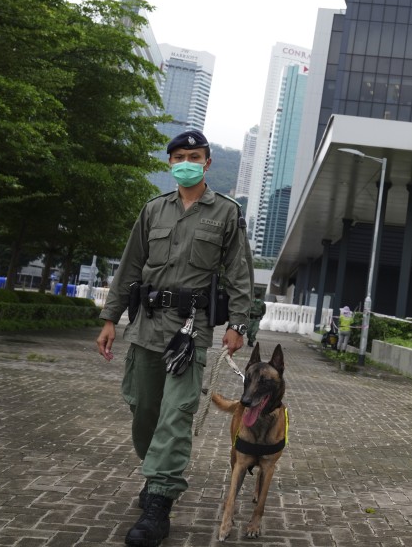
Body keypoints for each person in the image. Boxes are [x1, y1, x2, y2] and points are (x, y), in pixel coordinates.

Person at [95, 129, 255, 547]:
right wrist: (110, 317)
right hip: (146, 325)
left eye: (195, 155)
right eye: (179, 155)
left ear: (207, 162)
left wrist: (238, 325)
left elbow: (240, 274)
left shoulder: (225, 212)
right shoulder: (152, 210)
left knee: (176, 413)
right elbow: (129, 266)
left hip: (190, 330)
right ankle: (155, 476)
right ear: (170, 162)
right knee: (144, 409)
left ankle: (159, 504)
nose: (187, 160)